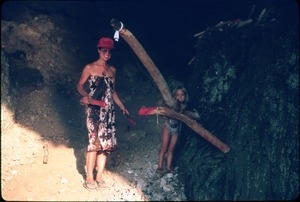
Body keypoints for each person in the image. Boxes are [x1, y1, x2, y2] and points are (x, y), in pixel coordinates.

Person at [77, 37, 129, 191]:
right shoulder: (89, 67)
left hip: (108, 111)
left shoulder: (113, 70)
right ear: (98, 50)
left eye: (110, 51)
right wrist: (85, 96)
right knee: (93, 144)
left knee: (105, 145)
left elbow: (112, 91)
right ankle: (89, 178)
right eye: (104, 50)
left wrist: (121, 106)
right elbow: (79, 85)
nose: (107, 54)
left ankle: (99, 175)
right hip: (94, 110)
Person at [156, 86, 189, 174]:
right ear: (174, 96)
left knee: (171, 149)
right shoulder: (172, 104)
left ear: (185, 96)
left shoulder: (185, 107)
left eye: (182, 95)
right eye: (177, 95)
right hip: (168, 126)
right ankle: (159, 167)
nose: (180, 96)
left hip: (176, 129)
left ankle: (168, 167)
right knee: (164, 147)